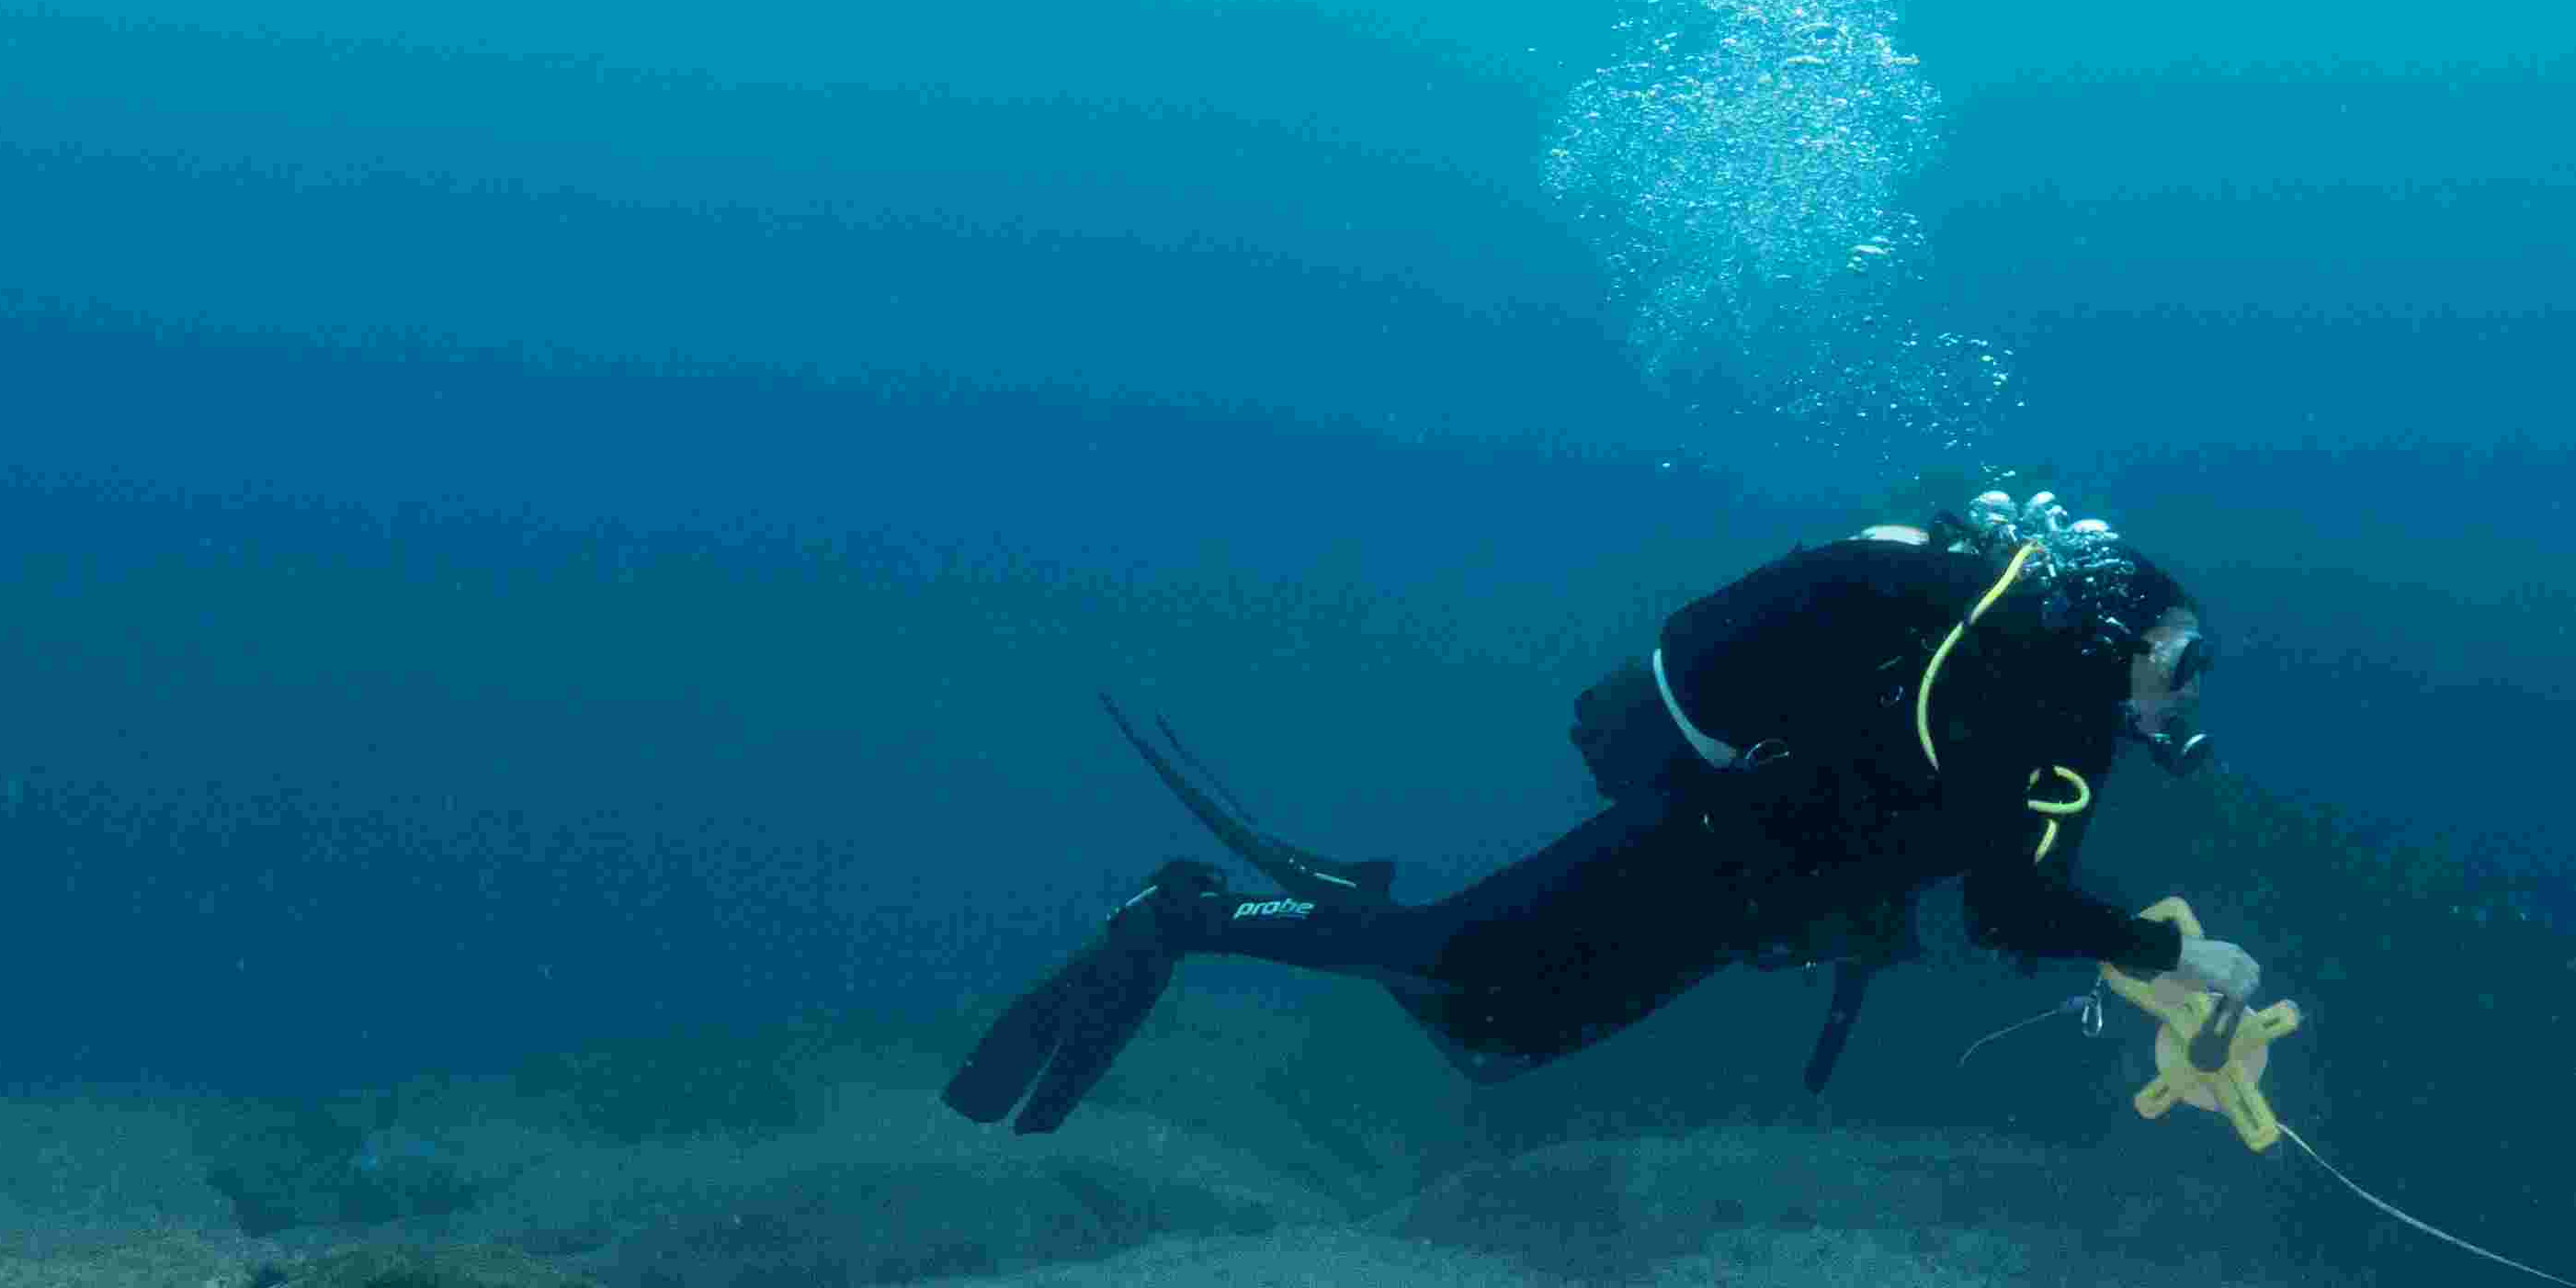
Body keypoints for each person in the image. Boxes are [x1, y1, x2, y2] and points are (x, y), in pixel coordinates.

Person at [946, 488, 2275, 1134]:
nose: (2185, 693)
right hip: (1715, 845)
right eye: (2179, 659)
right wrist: (2173, 954)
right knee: (1454, 964)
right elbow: (2007, 905)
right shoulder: (2040, 711)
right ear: (2114, 638)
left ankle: (1346, 900)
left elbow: (1984, 875)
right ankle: (1183, 915)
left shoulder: (2036, 700)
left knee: (1506, 1037)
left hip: (1753, 882)